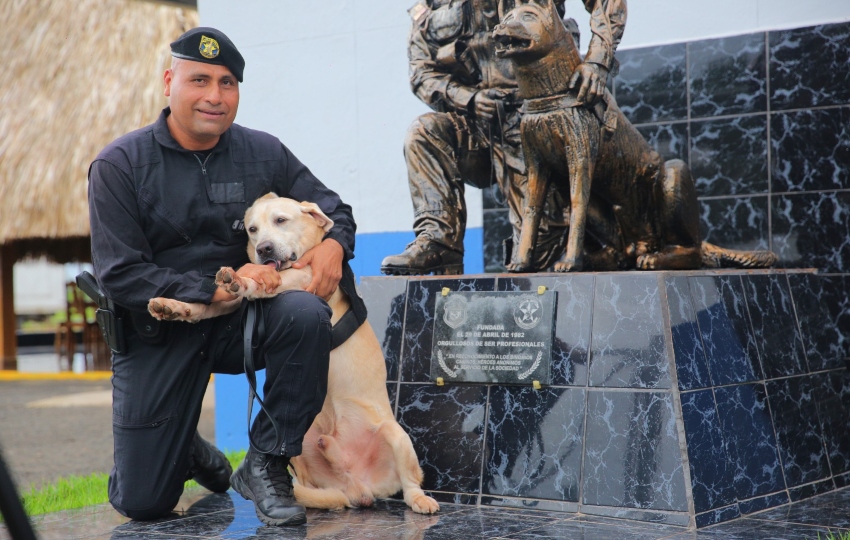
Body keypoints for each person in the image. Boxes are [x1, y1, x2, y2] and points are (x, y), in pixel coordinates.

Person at [88, 27, 357, 527]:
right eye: (200, 80)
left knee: (304, 312)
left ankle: (267, 462)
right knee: (143, 504)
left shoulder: (264, 152)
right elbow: (121, 275)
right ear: (169, 82)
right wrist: (211, 286)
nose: (215, 96)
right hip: (159, 332)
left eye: (228, 83)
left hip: (244, 324)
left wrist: (335, 247)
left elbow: (333, 208)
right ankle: (188, 450)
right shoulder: (118, 165)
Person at [381, 0, 627, 275]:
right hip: (477, 122)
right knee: (424, 132)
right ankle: (438, 243)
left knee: (535, 253)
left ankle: (597, 237)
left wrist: (597, 60)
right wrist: (469, 98)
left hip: (541, 119)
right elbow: (421, 71)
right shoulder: (433, 5)